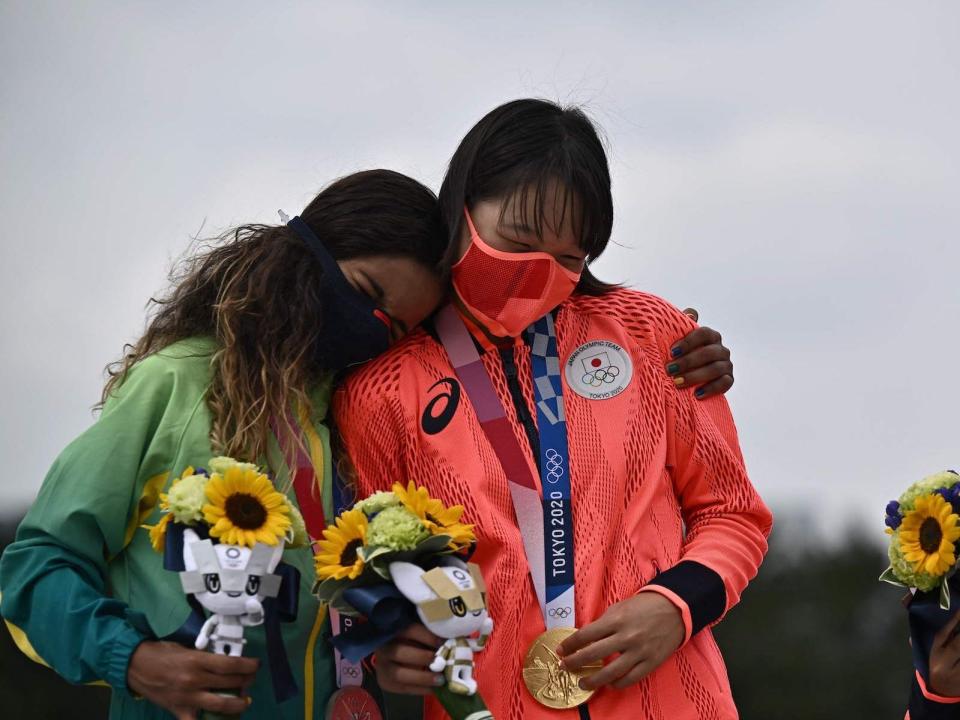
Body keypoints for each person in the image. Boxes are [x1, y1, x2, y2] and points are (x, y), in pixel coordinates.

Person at [0, 165, 732, 720]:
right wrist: (133, 660)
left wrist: (388, 646)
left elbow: (363, 598)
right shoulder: (173, 385)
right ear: (304, 257)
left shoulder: (360, 406)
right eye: (365, 293)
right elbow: (37, 567)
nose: (372, 327)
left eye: (400, 326)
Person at [333, 99, 773, 719]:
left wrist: (675, 606)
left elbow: (734, 514)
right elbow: (364, 575)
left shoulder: (650, 334)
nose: (542, 272)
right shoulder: (378, 393)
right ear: (460, 206)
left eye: (571, 258)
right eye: (517, 240)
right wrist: (392, 648)